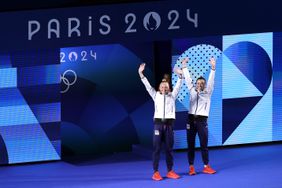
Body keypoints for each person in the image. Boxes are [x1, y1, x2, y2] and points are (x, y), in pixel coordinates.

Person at [138, 63, 182, 181]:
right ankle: (156, 172)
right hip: (158, 126)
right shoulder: (155, 95)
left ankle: (170, 171)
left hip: (169, 125)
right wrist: (141, 74)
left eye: (166, 87)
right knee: (156, 149)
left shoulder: (172, 96)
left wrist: (180, 76)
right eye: (162, 86)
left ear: (169, 88)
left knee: (169, 149)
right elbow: (147, 86)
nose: (164, 88)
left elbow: (178, 85)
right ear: (159, 88)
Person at [177, 57, 217, 175]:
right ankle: (191, 167)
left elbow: (211, 81)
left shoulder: (208, 92)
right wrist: (184, 66)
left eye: (202, 83)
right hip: (190, 120)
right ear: (196, 84)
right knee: (190, 144)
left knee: (204, 144)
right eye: (198, 83)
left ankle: (206, 166)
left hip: (202, 121)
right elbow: (188, 80)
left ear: (205, 85)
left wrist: (213, 68)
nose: (200, 84)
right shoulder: (192, 90)